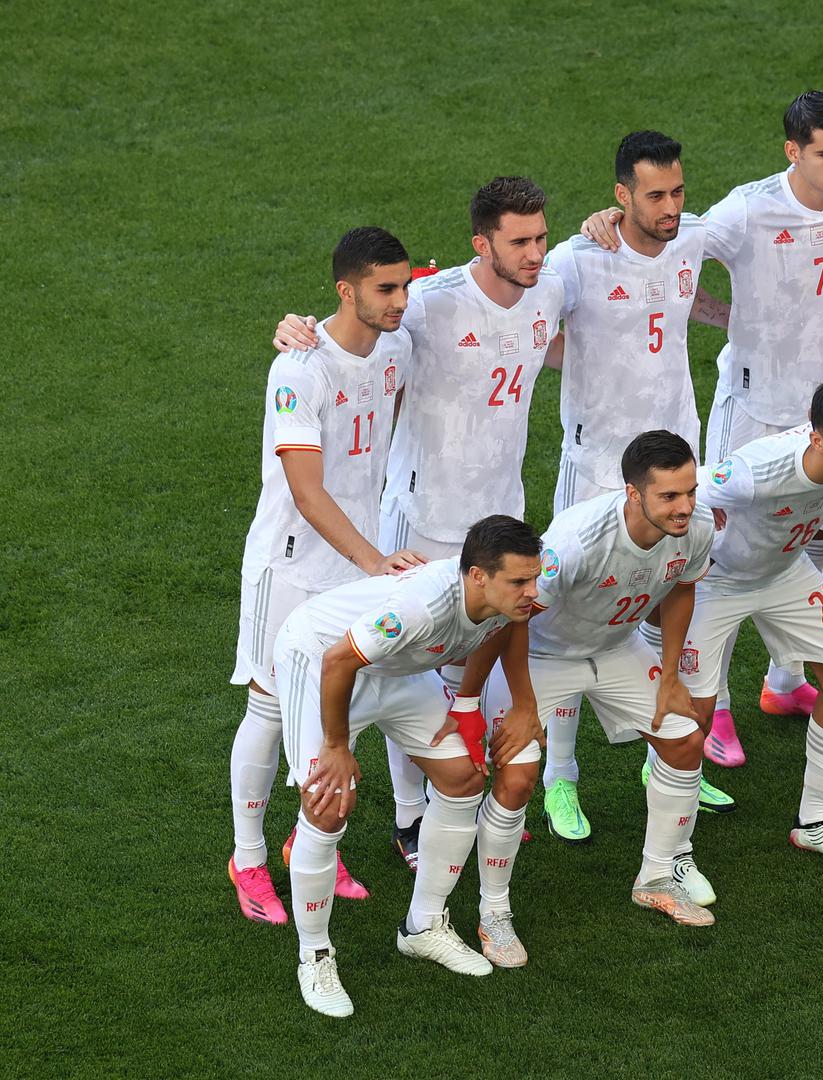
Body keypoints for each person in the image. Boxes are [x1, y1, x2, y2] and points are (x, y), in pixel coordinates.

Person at [581, 92, 823, 765]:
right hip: (754, 414)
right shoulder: (747, 210)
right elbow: (669, 244)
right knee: (718, 557)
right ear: (793, 151)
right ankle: (719, 705)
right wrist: (613, 218)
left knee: (811, 539)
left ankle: (783, 683)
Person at [271, 177, 564, 868]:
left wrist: (608, 220)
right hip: (422, 519)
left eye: (542, 238)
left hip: (501, 511)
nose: (535, 253)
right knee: (411, 663)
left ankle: (465, 792)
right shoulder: (429, 303)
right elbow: (357, 318)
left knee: (483, 649)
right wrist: (295, 329)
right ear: (482, 244)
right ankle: (410, 816)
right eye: (520, 241)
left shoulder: (553, 286)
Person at [538, 131, 735, 842]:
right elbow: (524, 325)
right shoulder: (577, 257)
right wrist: (583, 361)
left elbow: (686, 294)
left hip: (678, 464)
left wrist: (736, 319)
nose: (671, 207)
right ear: (622, 195)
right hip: (596, 469)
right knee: (568, 622)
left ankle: (667, 759)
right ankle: (561, 778)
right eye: (655, 195)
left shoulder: (690, 239)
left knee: (677, 596)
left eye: (678, 191)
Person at [276, 515, 547, 1017]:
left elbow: (503, 627)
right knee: (328, 805)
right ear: (478, 576)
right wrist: (336, 744)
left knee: (463, 778)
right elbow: (339, 659)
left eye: (533, 578)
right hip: (320, 661)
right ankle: (314, 956)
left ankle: (423, 928)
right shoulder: (420, 607)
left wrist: (468, 704)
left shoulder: (505, 597)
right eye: (519, 582)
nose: (532, 591)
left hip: (395, 669)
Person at [228, 226, 422, 925]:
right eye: (385, 288)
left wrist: (367, 560)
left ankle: (310, 841)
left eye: (405, 286)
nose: (400, 301)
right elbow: (307, 493)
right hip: (289, 565)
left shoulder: (397, 347)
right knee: (269, 706)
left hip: (356, 565)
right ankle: (247, 858)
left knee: (341, 705)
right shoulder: (299, 370)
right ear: (346, 290)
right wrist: (374, 561)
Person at [476, 431, 720, 925]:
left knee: (685, 740)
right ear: (633, 494)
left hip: (616, 647)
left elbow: (681, 589)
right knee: (517, 777)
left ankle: (657, 877)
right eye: (669, 496)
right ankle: (493, 912)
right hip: (541, 654)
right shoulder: (577, 541)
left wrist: (670, 675)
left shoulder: (695, 527)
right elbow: (510, 618)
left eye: (691, 492)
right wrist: (523, 705)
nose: (685, 507)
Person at [683, 379, 823, 869]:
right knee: (691, 719)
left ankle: (815, 822)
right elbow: (680, 491)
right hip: (719, 582)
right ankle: (669, 858)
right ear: (817, 440)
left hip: (786, 572)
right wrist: (697, 524)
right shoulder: (756, 470)